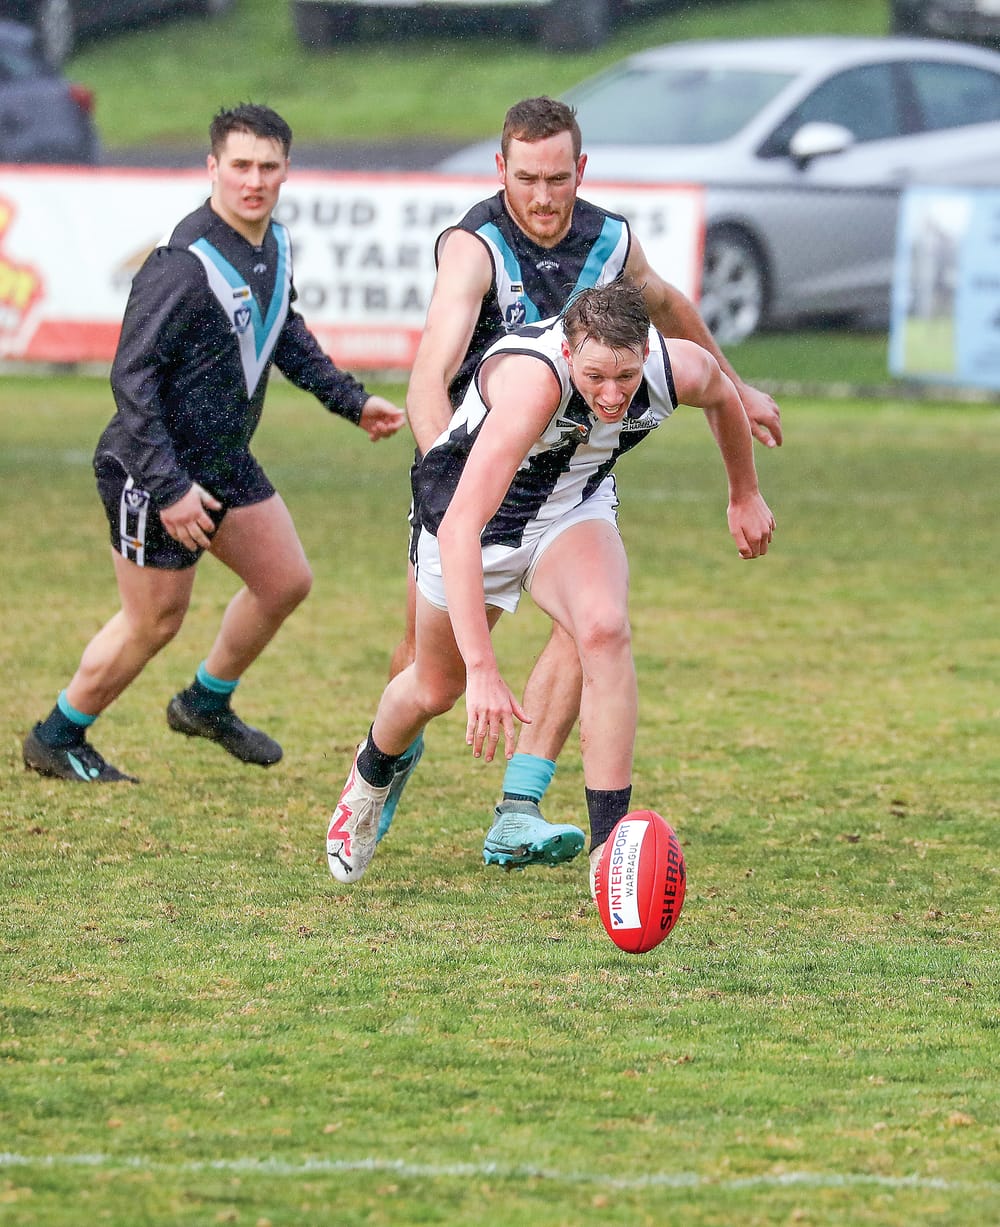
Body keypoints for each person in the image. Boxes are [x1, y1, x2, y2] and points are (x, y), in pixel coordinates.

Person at [376, 96, 782, 868]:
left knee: (594, 620)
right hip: (476, 463)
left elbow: (669, 308)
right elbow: (430, 371)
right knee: (434, 673)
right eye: (526, 178)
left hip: (574, 469)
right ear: (502, 170)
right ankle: (390, 754)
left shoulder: (610, 241)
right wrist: (442, 476)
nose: (542, 196)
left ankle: (519, 807)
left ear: (579, 170)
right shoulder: (474, 247)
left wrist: (738, 383)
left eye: (557, 179)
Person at [326, 278, 774, 887]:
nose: (612, 395)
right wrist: (484, 670)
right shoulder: (534, 387)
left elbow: (724, 399)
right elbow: (461, 525)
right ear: (568, 354)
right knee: (436, 687)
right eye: (595, 378)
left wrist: (744, 494)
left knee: (604, 628)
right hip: (469, 523)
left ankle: (609, 849)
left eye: (625, 376)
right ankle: (370, 777)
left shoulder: (679, 367)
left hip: (569, 509)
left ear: (646, 350)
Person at [21, 102, 404, 784]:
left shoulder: (274, 246)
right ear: (213, 168)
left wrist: (353, 401)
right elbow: (129, 377)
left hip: (224, 458)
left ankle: (204, 701)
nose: (253, 180)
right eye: (240, 166)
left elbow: (283, 332)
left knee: (284, 581)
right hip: (152, 466)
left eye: (268, 166)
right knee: (154, 621)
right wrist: (166, 486)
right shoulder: (181, 263)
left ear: (286, 170)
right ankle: (56, 735)